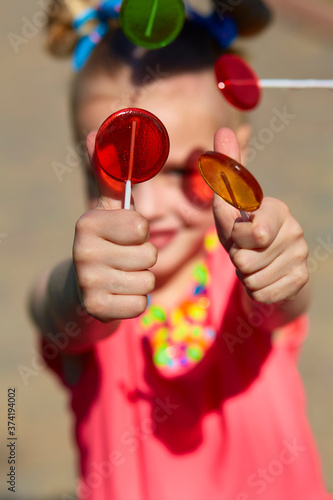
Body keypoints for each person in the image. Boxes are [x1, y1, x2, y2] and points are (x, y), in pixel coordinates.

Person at [29, 1, 332, 499]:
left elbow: (280, 305)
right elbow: (47, 306)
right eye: (116, 169)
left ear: (234, 156)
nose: (148, 205)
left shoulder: (239, 269)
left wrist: (277, 264)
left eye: (182, 171)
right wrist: (79, 293)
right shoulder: (97, 290)